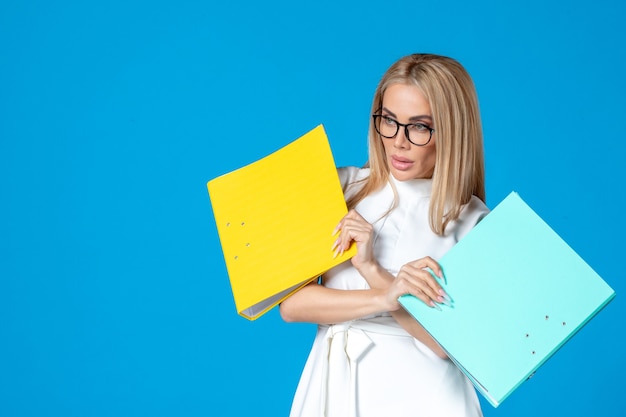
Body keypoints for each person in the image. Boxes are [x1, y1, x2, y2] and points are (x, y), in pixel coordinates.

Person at [279, 53, 489, 417]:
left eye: (420, 127)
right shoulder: (340, 188)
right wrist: (386, 297)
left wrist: (374, 272)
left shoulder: (471, 220)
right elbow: (292, 306)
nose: (399, 142)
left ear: (453, 131)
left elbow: (448, 347)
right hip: (333, 387)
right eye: (389, 121)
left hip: (426, 398)